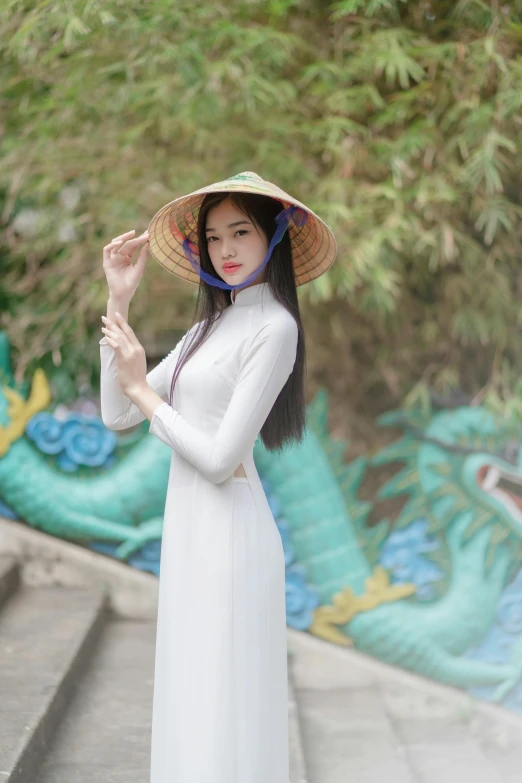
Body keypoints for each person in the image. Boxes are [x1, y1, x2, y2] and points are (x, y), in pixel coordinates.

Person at [98, 171, 336, 783]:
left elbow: (217, 456)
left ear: (275, 238)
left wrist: (139, 387)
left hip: (231, 536)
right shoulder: (208, 328)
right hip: (190, 533)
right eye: (213, 236)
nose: (226, 250)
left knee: (223, 704)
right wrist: (117, 304)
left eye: (241, 232)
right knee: (191, 698)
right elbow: (116, 412)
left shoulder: (274, 328)